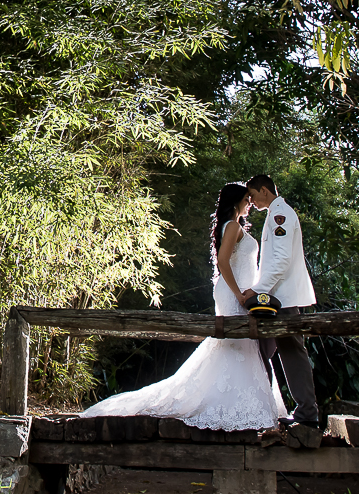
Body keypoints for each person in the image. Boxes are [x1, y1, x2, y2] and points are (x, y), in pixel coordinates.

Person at [81, 183, 287, 430]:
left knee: (238, 344)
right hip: (235, 293)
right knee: (235, 341)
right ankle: (230, 402)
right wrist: (240, 295)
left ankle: (236, 398)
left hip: (239, 291)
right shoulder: (232, 226)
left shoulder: (234, 226)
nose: (249, 204)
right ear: (235, 202)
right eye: (246, 199)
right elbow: (223, 261)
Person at [240, 174, 319, 427]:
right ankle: (273, 409)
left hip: (282, 298)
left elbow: (281, 260)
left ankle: (306, 414)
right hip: (278, 297)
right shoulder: (276, 213)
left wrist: (257, 290)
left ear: (264, 190)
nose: (250, 201)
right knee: (272, 351)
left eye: (252, 195)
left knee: (290, 351)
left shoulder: (279, 214)